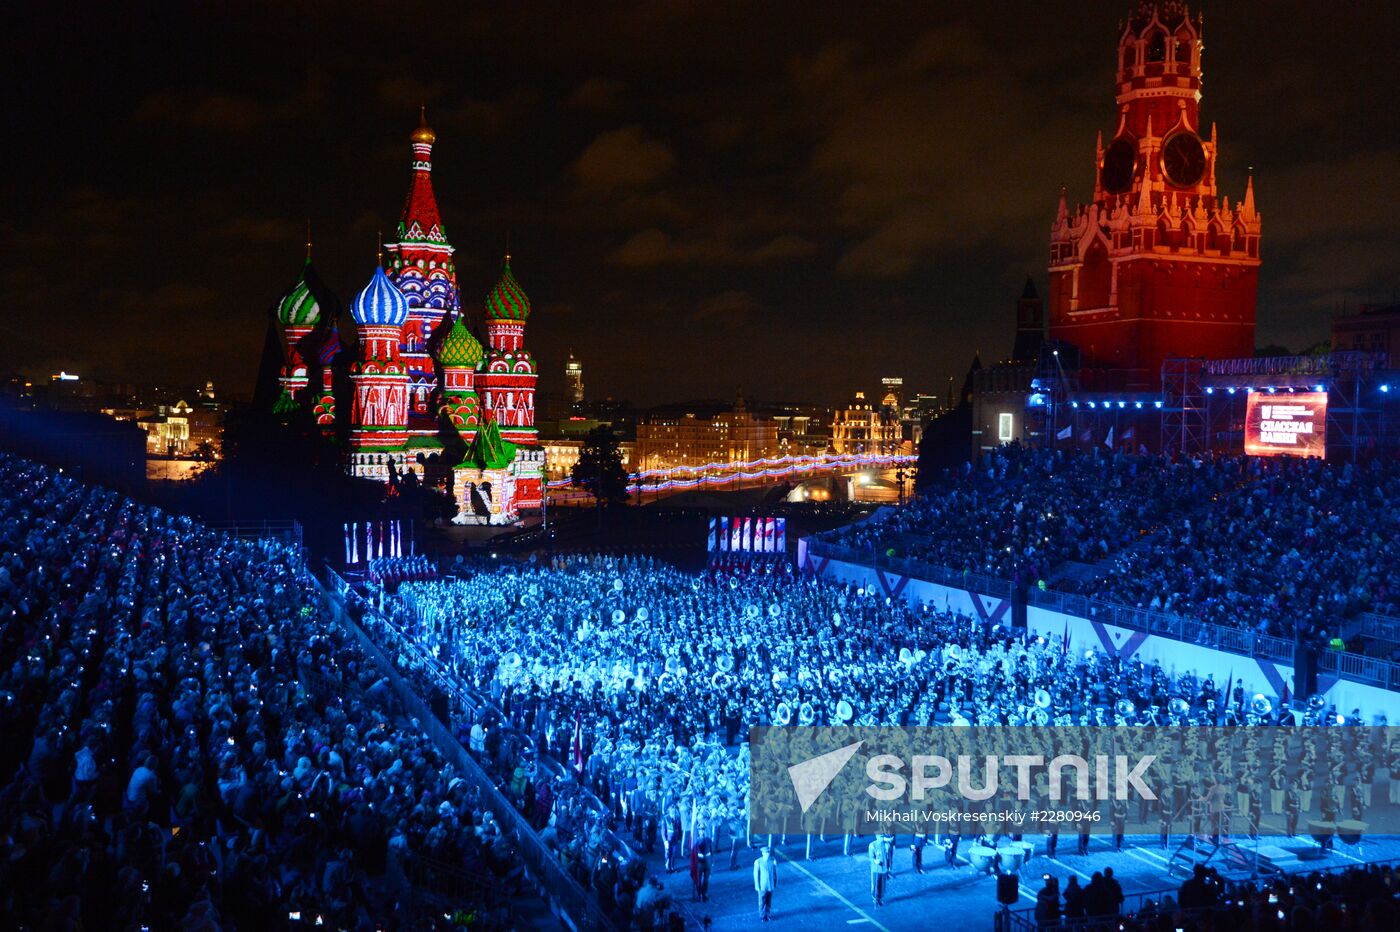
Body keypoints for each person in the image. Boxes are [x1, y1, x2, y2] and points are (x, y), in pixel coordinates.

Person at [753, 844, 777, 921]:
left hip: (770, 885)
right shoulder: (758, 862)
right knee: (762, 902)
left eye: (768, 853)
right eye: (766, 853)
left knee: (768, 902)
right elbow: (756, 875)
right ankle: (762, 916)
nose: (767, 854)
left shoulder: (772, 861)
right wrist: (757, 886)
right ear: (762, 853)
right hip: (762, 886)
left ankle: (768, 914)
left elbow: (775, 874)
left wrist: (775, 884)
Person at [868, 834, 893, 906]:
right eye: (880, 837)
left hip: (884, 869)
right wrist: (875, 861)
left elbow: (889, 857)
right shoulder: (872, 845)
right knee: (876, 884)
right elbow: (871, 857)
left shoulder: (886, 845)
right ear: (876, 837)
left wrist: (889, 867)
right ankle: (875, 898)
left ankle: (880, 898)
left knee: (883, 885)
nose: (881, 838)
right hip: (876, 869)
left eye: (882, 837)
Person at [690, 829, 713, 902]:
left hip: (707, 862)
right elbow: (694, 853)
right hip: (699, 862)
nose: (701, 832)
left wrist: (712, 862)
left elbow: (712, 852)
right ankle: (699, 894)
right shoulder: (695, 841)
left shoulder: (708, 840)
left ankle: (704, 894)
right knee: (698, 880)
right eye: (700, 830)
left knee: (706, 880)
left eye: (703, 830)